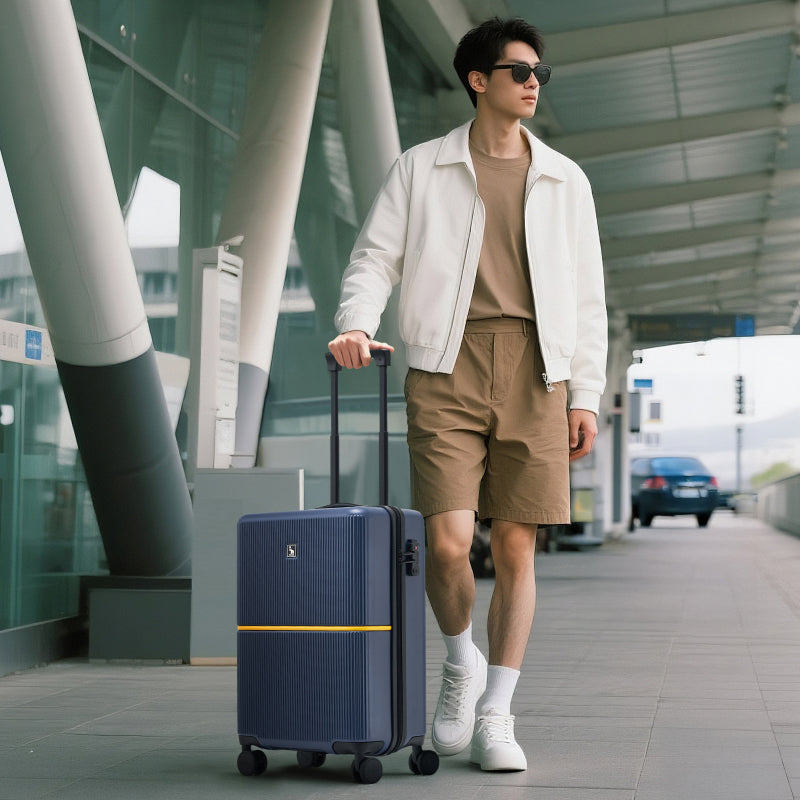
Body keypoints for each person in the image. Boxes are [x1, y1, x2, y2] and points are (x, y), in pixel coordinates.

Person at [328, 17, 607, 772]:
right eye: (521, 71)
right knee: (449, 543)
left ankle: (497, 714)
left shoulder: (564, 178)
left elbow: (587, 299)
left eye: (541, 74)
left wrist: (585, 393)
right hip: (445, 367)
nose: (534, 84)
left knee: (517, 544)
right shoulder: (422, 168)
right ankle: (461, 661)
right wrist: (355, 324)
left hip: (537, 370)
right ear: (479, 80)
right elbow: (375, 259)